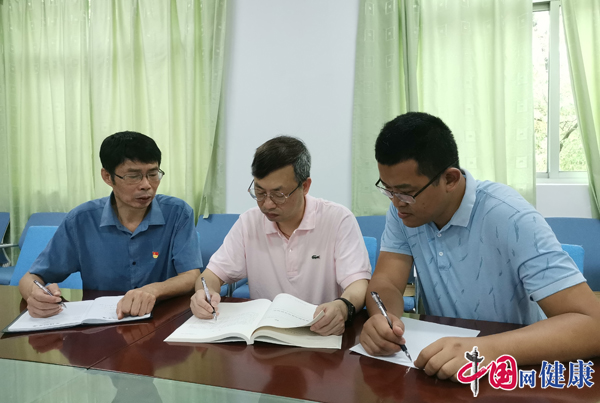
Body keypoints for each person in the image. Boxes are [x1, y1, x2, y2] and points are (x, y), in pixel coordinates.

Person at [360, 112, 600, 380]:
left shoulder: (511, 217)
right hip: (445, 369)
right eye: (388, 189)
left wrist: (487, 349)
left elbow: (592, 325)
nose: (395, 202)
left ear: (450, 179)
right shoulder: (404, 212)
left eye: (405, 192)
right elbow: (387, 282)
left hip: (514, 371)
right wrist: (383, 319)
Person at [190, 136, 371, 336]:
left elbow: (358, 284)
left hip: (320, 334)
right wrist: (203, 294)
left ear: (305, 186)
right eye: (259, 192)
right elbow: (211, 275)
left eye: (278, 195)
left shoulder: (337, 219)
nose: (267, 204)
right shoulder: (249, 222)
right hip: (265, 336)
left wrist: (343, 306)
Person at [19, 131, 202, 319]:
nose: (146, 185)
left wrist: (153, 290)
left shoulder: (178, 213)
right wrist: (36, 296)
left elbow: (191, 275)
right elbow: (30, 278)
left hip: (164, 319)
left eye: (153, 174)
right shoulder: (81, 220)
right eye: (133, 176)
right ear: (107, 176)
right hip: (101, 325)